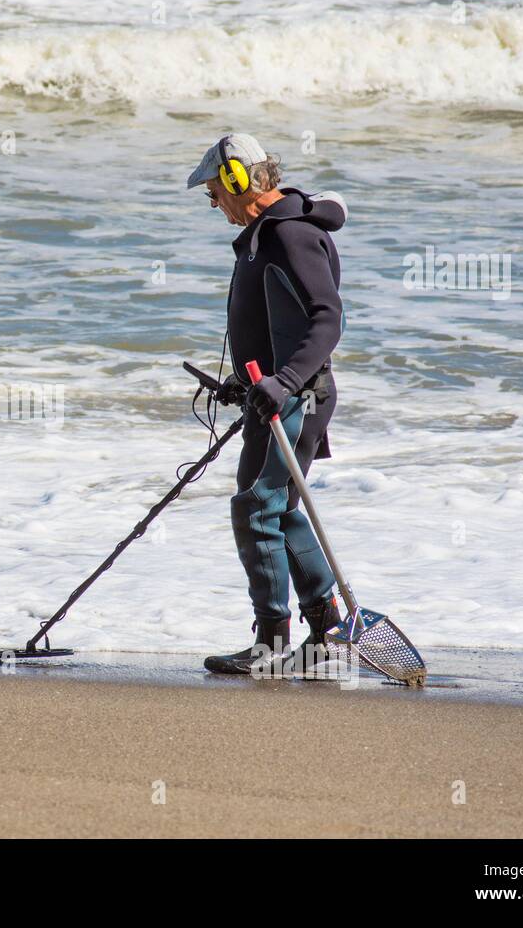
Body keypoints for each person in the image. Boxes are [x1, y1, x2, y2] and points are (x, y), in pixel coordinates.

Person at [185, 133, 348, 675]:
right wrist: (245, 382)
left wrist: (285, 382)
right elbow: (280, 324)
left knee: (256, 507)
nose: (214, 204)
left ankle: (273, 642)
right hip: (282, 393)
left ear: (237, 179)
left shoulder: (290, 235)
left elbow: (326, 319)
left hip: (297, 396)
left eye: (214, 191)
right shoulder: (264, 235)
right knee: (276, 508)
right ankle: (324, 631)